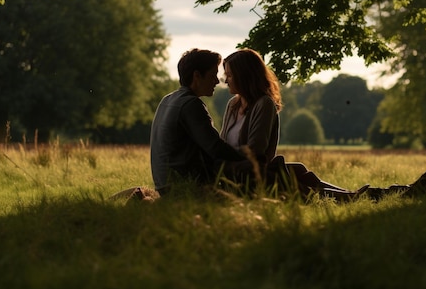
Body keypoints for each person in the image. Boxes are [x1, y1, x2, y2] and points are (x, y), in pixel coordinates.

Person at [219, 48, 370, 201]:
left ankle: (344, 196)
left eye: (230, 76)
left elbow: (256, 149)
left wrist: (223, 154)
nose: (225, 81)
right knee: (297, 170)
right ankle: (346, 196)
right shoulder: (233, 105)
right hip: (237, 171)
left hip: (253, 170)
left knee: (291, 173)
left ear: (244, 76)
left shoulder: (264, 104)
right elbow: (222, 141)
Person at [149, 48, 249, 196]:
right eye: (213, 75)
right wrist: (248, 159)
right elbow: (215, 148)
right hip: (185, 188)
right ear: (197, 75)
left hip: (164, 185)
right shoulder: (190, 104)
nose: (217, 81)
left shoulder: (168, 100)